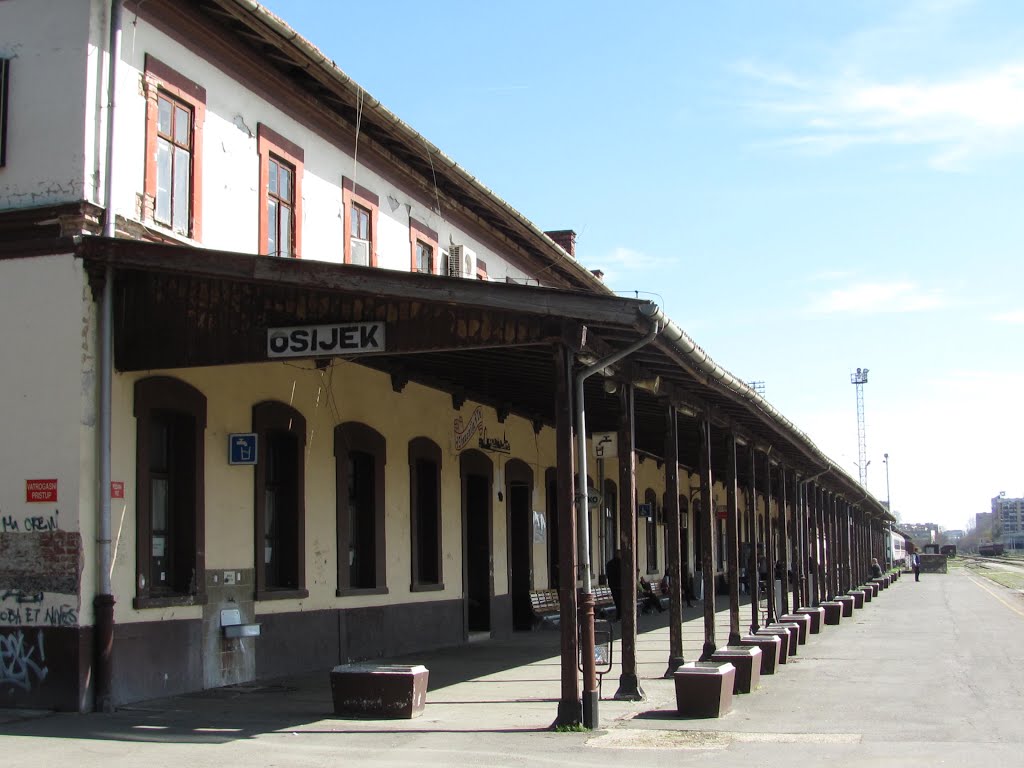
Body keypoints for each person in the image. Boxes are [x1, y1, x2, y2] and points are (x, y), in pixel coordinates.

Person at [605, 550, 622, 621]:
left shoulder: (609, 564)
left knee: (617, 601)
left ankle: (619, 616)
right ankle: (620, 615)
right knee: (621, 601)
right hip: (621, 585)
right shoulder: (622, 563)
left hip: (613, 585)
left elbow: (608, 574)